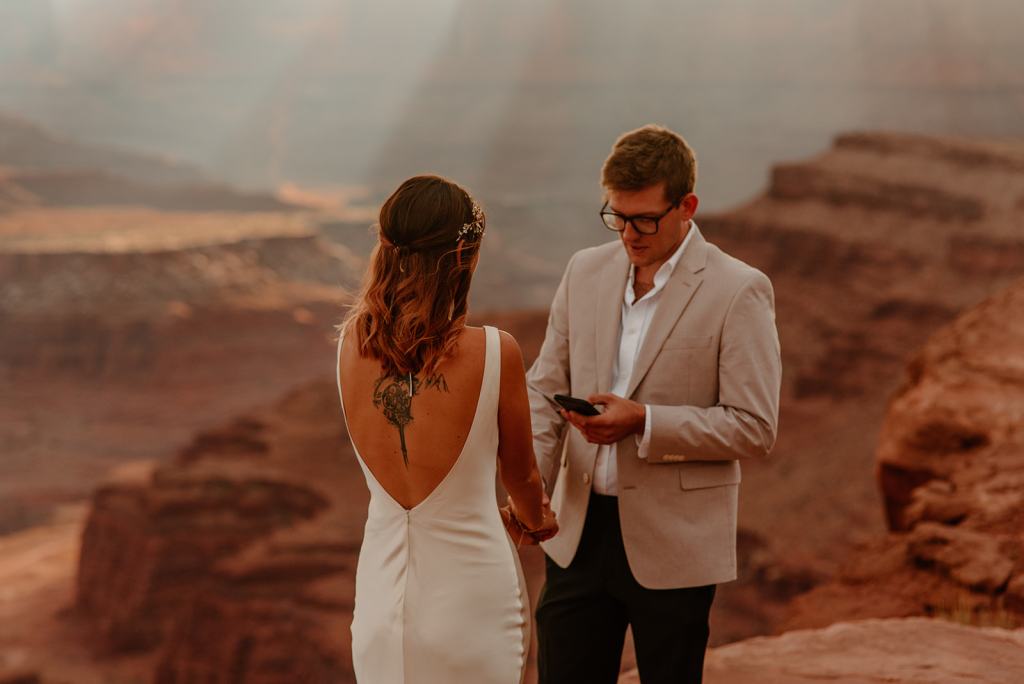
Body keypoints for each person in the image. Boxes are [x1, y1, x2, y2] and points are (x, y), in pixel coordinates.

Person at [526, 124, 782, 683]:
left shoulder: (739, 289)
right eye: (617, 216)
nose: (628, 234)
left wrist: (643, 421)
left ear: (687, 206)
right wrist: (532, 491)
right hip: (579, 536)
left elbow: (754, 427)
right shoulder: (584, 271)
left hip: (677, 544)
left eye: (645, 219)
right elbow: (543, 391)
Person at [334, 175, 558, 683]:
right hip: (471, 602)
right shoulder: (496, 353)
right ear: (464, 258)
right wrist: (537, 520)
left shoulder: (349, 345)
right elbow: (521, 477)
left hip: (380, 605)